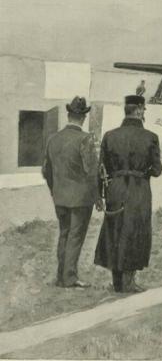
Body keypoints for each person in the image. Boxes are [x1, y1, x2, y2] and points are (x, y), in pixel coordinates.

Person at [94, 95, 162, 293]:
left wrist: (99, 195)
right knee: (136, 232)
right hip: (139, 188)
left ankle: (118, 283)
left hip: (115, 188)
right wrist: (143, 173)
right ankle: (129, 282)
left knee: (115, 231)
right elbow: (157, 169)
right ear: (140, 110)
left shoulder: (109, 135)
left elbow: (101, 169)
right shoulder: (150, 137)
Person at [42, 96, 101, 288]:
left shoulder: (53, 139)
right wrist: (98, 196)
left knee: (64, 234)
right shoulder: (85, 139)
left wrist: (54, 190)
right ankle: (70, 277)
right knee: (76, 236)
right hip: (81, 198)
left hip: (60, 197)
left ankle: (61, 276)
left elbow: (46, 170)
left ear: (68, 115)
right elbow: (91, 171)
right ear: (83, 118)